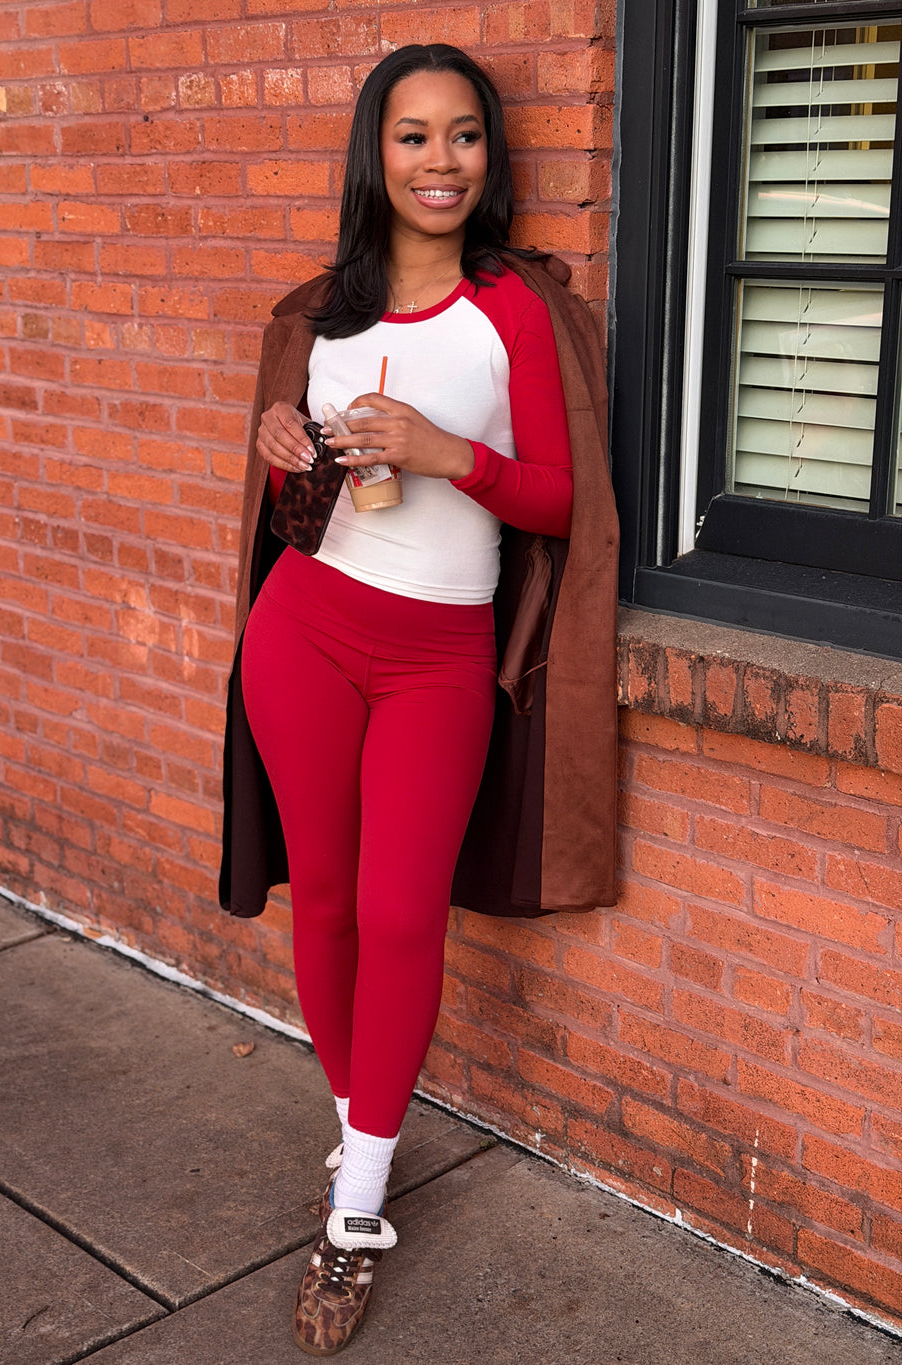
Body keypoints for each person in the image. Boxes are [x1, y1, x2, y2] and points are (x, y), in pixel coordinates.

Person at [219, 43, 619, 1357]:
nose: (439, 162)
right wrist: (281, 445)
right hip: (307, 631)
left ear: (488, 158)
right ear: (373, 155)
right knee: (325, 898)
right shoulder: (323, 309)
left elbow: (567, 501)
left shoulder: (513, 308)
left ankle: (355, 1211)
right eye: (412, 137)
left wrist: (453, 454)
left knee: (399, 912)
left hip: (442, 654)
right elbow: (300, 512)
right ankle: (361, 1153)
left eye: (463, 137)